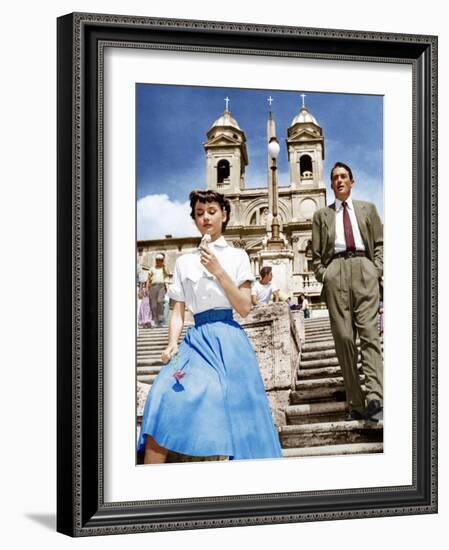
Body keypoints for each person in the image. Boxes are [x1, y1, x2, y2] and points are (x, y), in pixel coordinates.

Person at [137, 189, 282, 463]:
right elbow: (178, 310)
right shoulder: (183, 262)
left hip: (229, 340)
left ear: (224, 215)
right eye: (199, 213)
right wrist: (171, 343)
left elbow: (244, 307)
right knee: (161, 395)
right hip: (196, 341)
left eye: (212, 212)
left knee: (240, 414)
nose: (205, 218)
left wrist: (217, 269)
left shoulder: (238, 256)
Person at [311, 161, 383, 422]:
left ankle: (376, 396)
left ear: (352, 181)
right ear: (331, 185)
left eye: (344, 176)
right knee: (344, 339)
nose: (339, 180)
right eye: (335, 177)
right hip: (336, 272)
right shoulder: (321, 215)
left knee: (370, 336)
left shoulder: (368, 209)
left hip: (364, 269)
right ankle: (356, 401)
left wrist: (376, 270)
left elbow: (379, 244)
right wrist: (326, 275)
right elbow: (315, 256)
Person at [147, 253, 170, 327]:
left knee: (160, 301)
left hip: (161, 287)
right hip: (153, 287)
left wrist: (164, 265)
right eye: (157, 260)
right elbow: (148, 279)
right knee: (153, 305)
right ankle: (155, 320)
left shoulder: (164, 268)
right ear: (156, 260)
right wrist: (147, 289)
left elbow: (168, 273)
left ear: (162, 260)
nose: (159, 261)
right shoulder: (152, 269)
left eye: (160, 260)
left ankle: (160, 320)